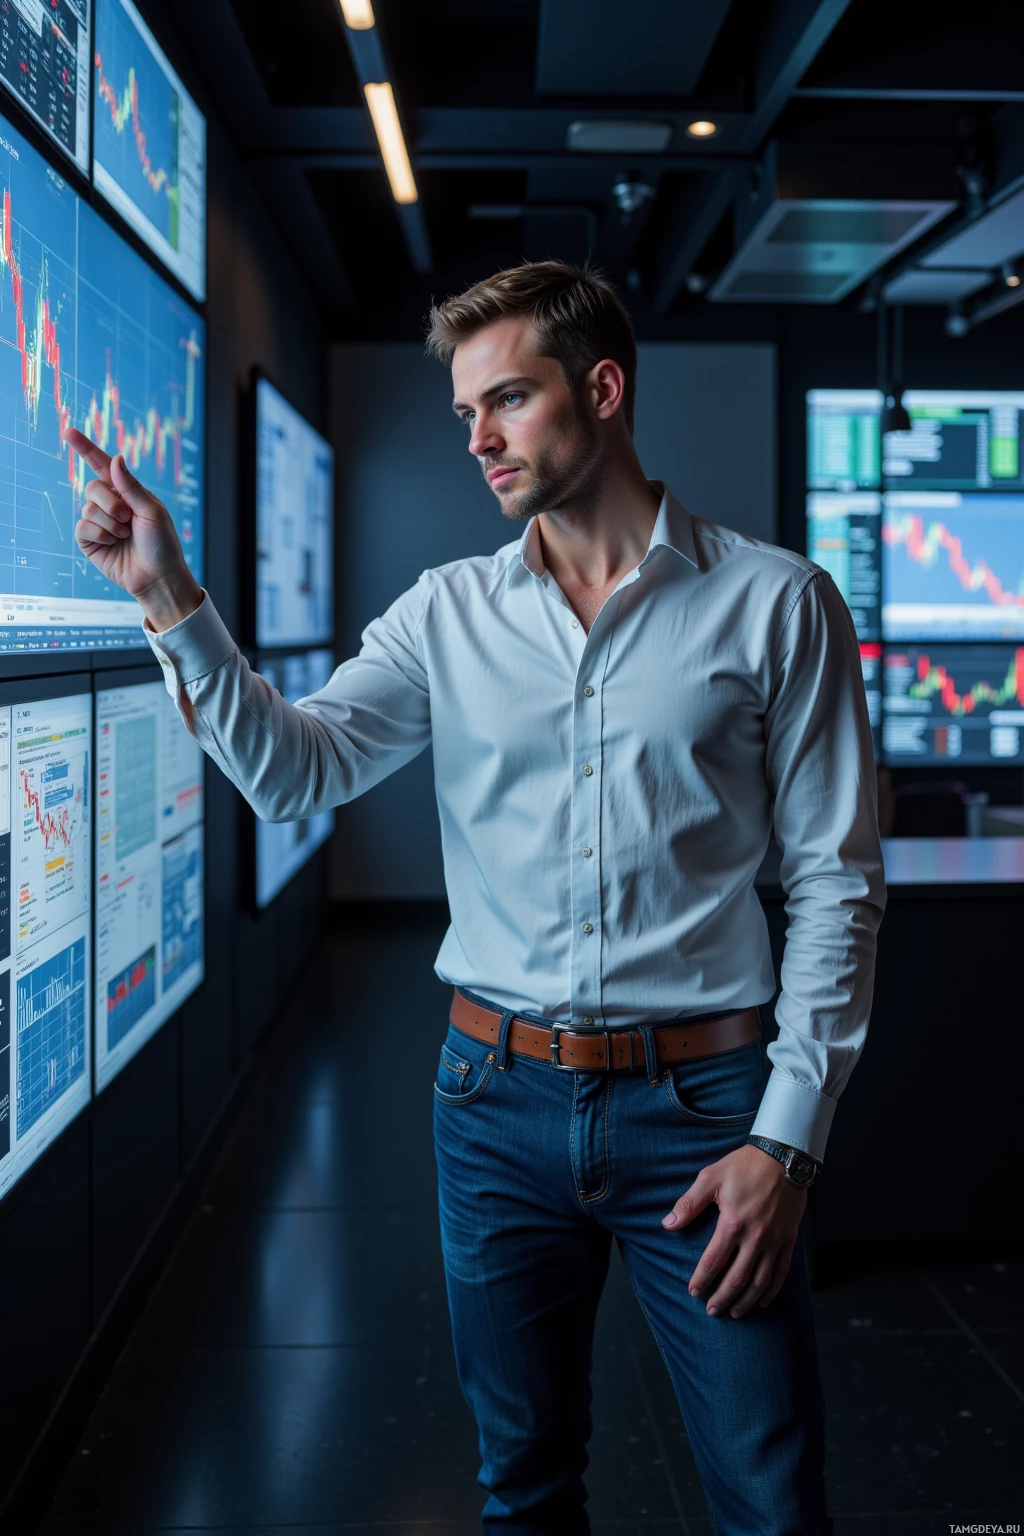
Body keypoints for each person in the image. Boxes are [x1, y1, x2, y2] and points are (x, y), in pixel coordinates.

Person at [65, 260, 886, 1536]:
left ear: (602, 390)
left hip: (709, 1112)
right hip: (492, 1105)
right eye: (464, 415)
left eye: (506, 400)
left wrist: (786, 1142)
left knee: (772, 1504)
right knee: (522, 1492)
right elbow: (295, 772)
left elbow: (838, 883)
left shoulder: (776, 602)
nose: (480, 440)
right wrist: (169, 596)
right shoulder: (446, 613)